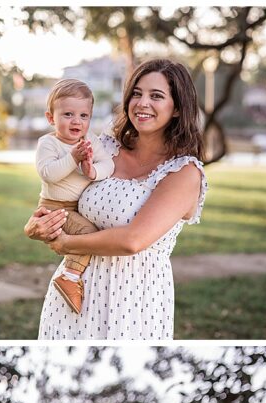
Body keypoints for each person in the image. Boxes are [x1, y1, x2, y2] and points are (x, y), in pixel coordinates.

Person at [26, 59, 207, 341]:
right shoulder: (105, 146)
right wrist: (40, 227)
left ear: (178, 109)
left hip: (134, 300)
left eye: (156, 96)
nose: (142, 103)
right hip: (72, 295)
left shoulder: (183, 172)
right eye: (136, 93)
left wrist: (65, 244)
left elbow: (132, 240)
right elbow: (62, 194)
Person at [34, 79, 115, 314]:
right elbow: (49, 174)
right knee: (89, 234)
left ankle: (71, 275)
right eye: (68, 114)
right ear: (51, 118)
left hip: (75, 207)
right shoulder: (49, 143)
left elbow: (107, 163)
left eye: (83, 115)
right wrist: (73, 158)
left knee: (89, 232)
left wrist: (93, 171)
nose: (77, 121)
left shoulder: (91, 141)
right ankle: (69, 277)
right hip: (55, 206)